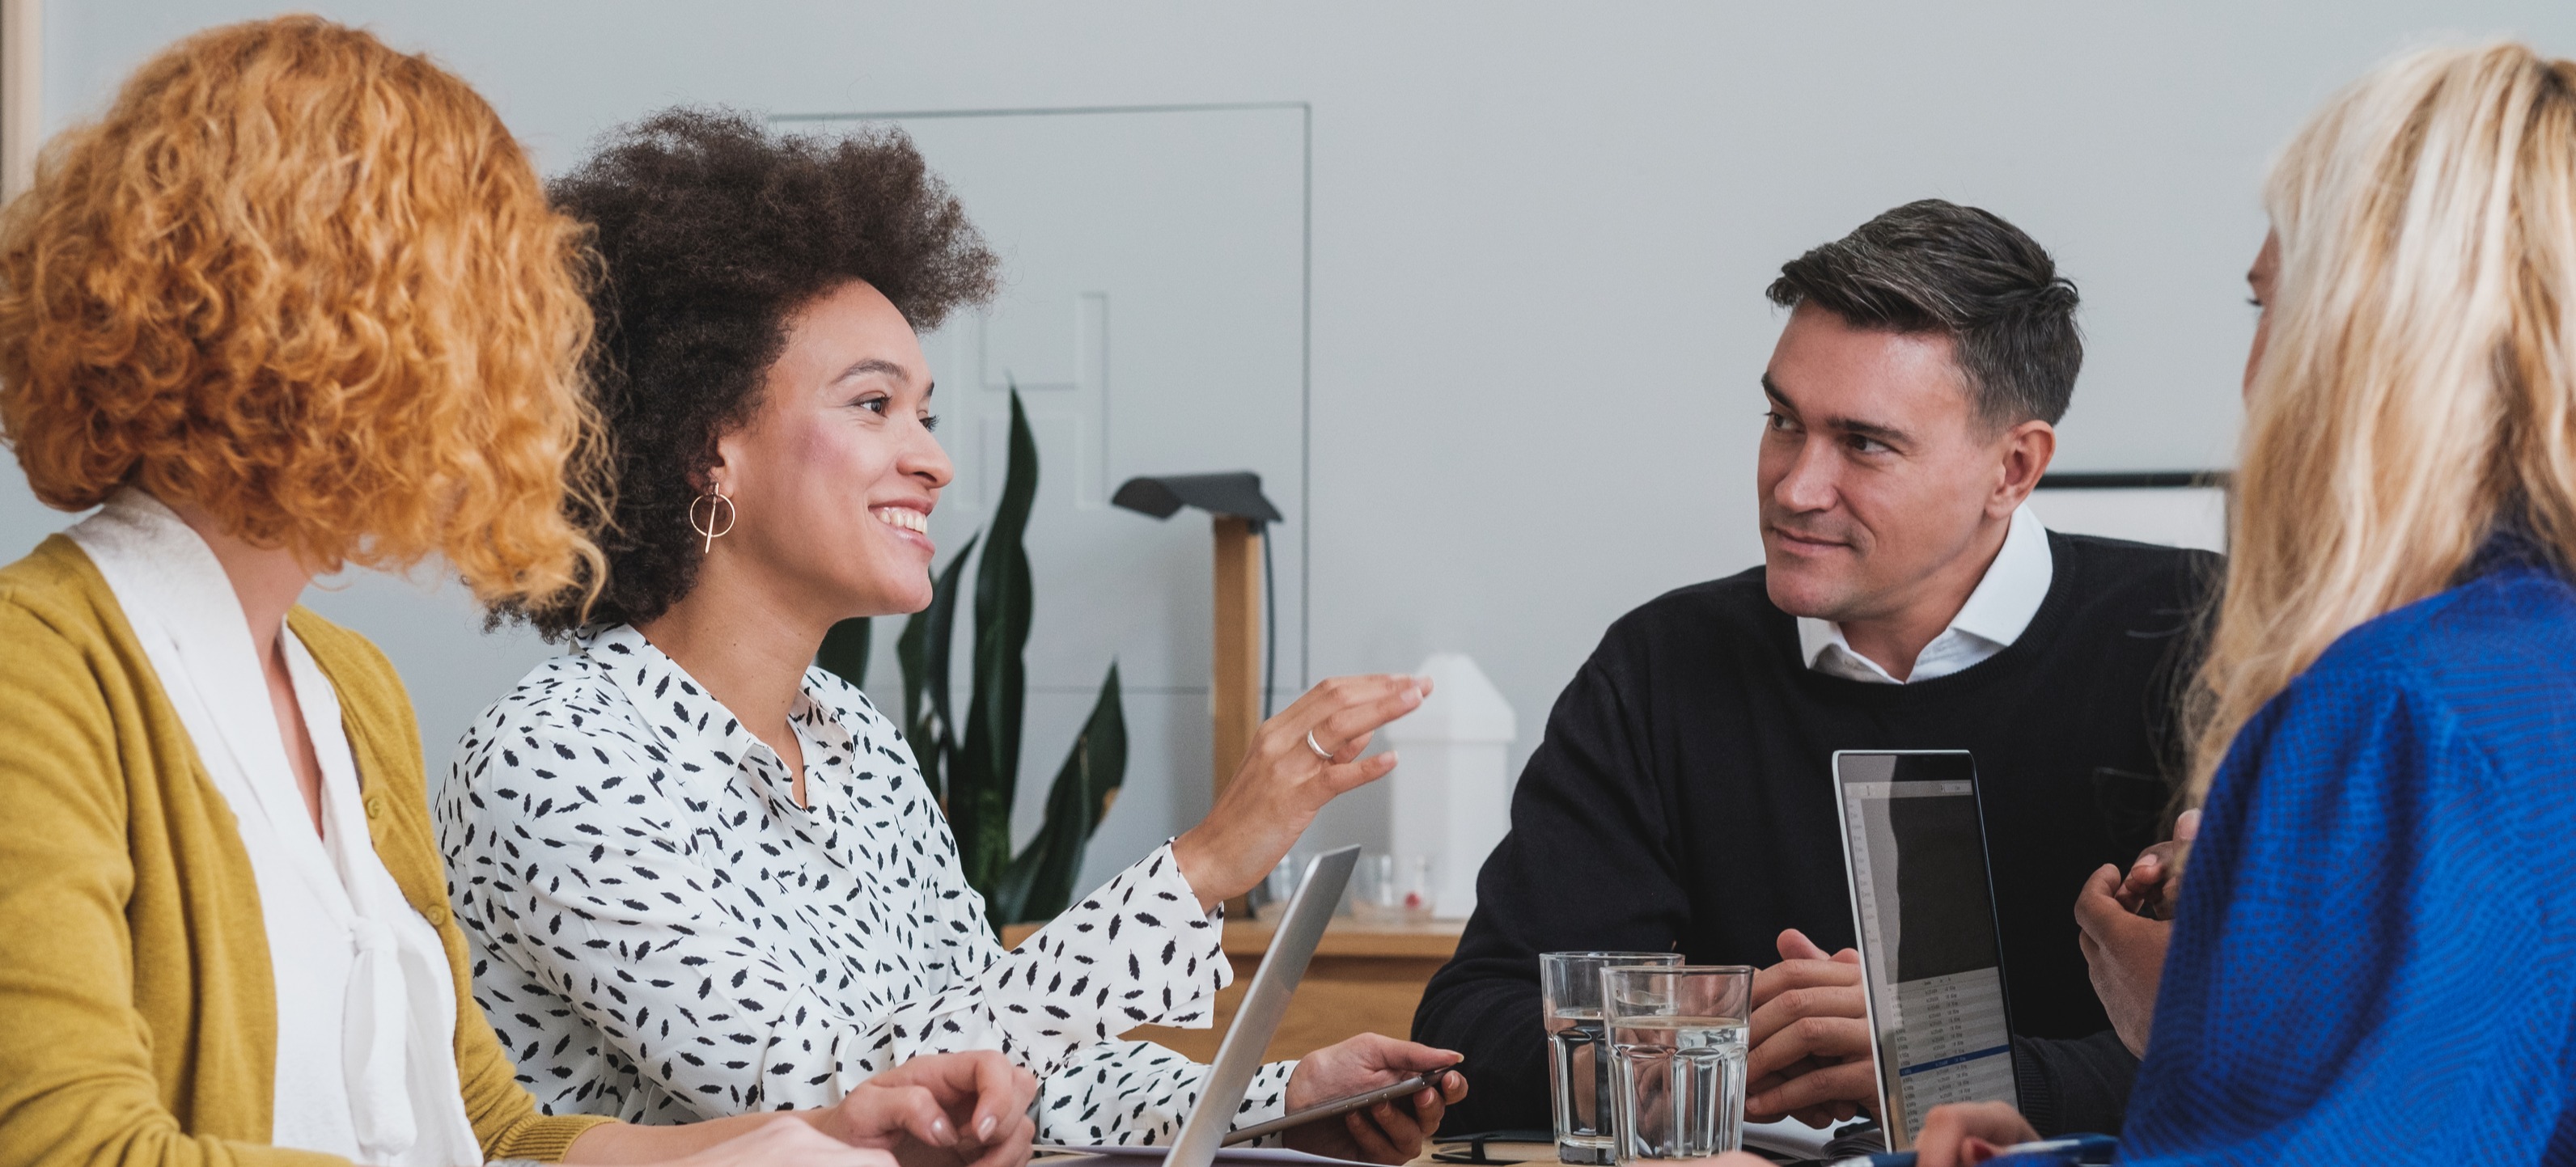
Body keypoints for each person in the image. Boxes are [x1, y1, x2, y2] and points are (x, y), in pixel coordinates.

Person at [0, 18, 1036, 1167]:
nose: (523, 364)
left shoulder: (350, 688)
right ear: (318, 322)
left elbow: (485, 1130)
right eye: (479, 304)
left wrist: (827, 1130)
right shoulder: (37, 672)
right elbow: (70, 1145)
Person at [435, 109, 1464, 1159]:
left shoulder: (854, 739)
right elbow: (846, 1105)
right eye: (874, 404)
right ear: (710, 448)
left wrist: (1285, 1094)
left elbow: (1010, 1067)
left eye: (922, 411)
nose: (934, 460)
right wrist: (1201, 865)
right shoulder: (553, 759)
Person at [1728, 39, 2576, 1167]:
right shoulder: (2523, 666)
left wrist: (2200, 1016)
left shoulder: (2397, 702)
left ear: (2365, 342)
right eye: (1785, 418)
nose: (1798, 484)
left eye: (2265, 304)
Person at [1413, 199, 2216, 1138]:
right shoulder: (1660, 666)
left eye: (1864, 444)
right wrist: (1708, 1042)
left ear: (2013, 468)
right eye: (1782, 421)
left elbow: (2308, 1048)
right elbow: (1473, 1026)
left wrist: (1934, 1070)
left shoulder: (2207, 642)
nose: (1793, 486)